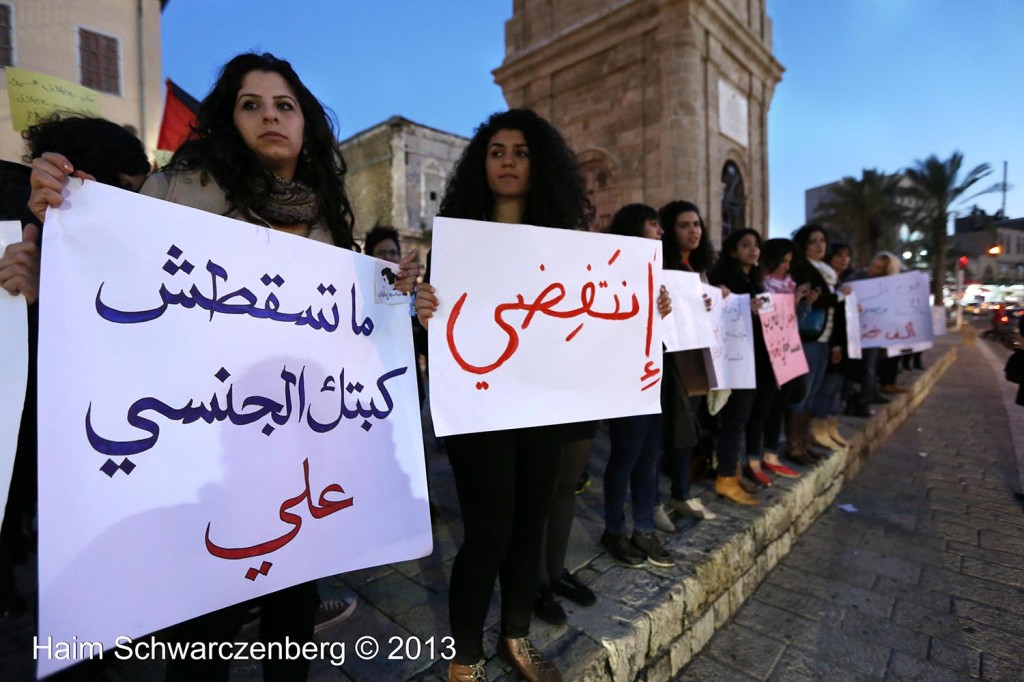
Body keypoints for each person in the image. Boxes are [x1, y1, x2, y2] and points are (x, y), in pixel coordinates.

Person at [29, 52, 419, 682]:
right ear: (229, 120)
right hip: (201, 450)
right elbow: (113, 286)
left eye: (284, 105)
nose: (269, 115)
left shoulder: (326, 216)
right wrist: (60, 217)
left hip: (296, 459)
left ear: (305, 124)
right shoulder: (181, 190)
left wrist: (401, 299)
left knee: (292, 614)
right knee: (204, 624)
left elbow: (352, 332)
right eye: (251, 103)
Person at [414, 109, 593, 682]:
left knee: (528, 524)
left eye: (519, 151)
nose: (508, 161)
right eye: (496, 151)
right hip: (479, 406)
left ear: (538, 164)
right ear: (481, 164)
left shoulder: (567, 243)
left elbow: (597, 312)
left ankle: (516, 636)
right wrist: (421, 311)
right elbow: (439, 320)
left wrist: (645, 309)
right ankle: (465, 657)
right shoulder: (458, 240)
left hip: (543, 404)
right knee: (488, 531)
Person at [1, 116, 151, 625]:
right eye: (128, 191)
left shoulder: (137, 249)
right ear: (86, 181)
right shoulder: (20, 231)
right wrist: (32, 299)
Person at [599, 204, 676, 566]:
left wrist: (663, 308)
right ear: (634, 227)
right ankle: (614, 530)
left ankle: (643, 528)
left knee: (649, 455)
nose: (661, 231)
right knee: (626, 455)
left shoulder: (656, 268)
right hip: (624, 374)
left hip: (653, 369)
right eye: (653, 224)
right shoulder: (610, 267)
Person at [657, 200, 717, 521]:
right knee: (666, 432)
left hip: (692, 357)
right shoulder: (663, 265)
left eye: (696, 224)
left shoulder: (696, 268)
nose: (693, 231)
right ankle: (654, 502)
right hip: (669, 360)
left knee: (687, 430)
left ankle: (681, 492)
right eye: (684, 225)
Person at [706, 228, 774, 504]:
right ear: (733, 251)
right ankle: (725, 477)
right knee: (734, 420)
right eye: (746, 245)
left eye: (756, 245)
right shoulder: (725, 280)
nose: (753, 250)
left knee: (743, 418)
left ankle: (732, 472)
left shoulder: (755, 281)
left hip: (753, 359)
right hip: (734, 360)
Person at [759, 238, 812, 473]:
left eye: (789, 262)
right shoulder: (761, 283)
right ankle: (757, 454)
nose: (785, 267)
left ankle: (771, 452)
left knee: (780, 405)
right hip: (765, 354)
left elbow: (793, 323)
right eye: (782, 261)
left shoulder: (789, 284)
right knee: (764, 407)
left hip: (787, 350)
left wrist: (801, 302)